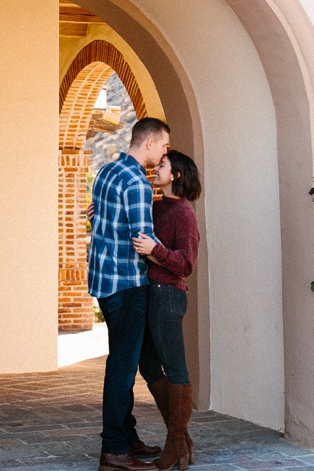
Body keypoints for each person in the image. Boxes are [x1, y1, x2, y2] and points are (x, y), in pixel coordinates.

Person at [89, 117, 172, 471]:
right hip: (126, 284)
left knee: (122, 361)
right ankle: (115, 451)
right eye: (164, 145)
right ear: (150, 143)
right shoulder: (138, 183)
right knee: (122, 368)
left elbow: (100, 220)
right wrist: (172, 258)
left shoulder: (107, 171)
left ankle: (128, 437)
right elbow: (144, 241)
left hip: (103, 282)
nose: (166, 151)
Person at [133, 150, 201, 471]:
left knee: (175, 368)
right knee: (148, 364)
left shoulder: (184, 214)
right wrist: (101, 213)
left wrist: (155, 250)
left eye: (162, 165)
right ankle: (181, 439)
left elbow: (185, 264)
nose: (155, 168)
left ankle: (175, 443)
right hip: (149, 294)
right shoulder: (157, 206)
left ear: (175, 175)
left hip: (168, 295)